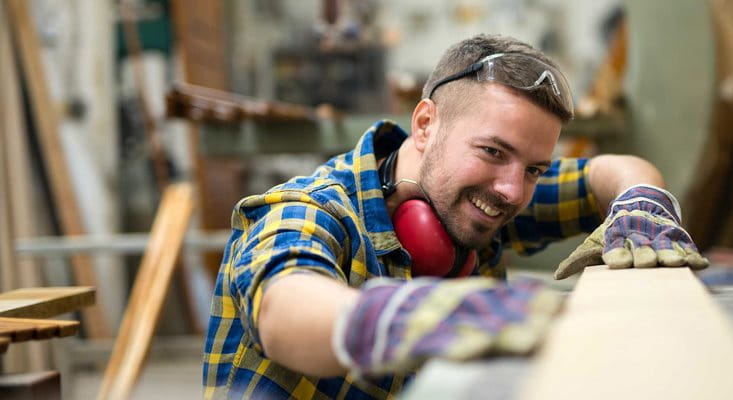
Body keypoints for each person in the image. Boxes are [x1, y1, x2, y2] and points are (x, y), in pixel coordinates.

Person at [202, 34, 707, 399]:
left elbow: (614, 170)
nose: (511, 191)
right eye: (491, 151)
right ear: (424, 124)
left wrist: (641, 200)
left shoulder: (479, 197)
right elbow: (284, 309)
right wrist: (400, 321)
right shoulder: (311, 210)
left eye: (534, 168)